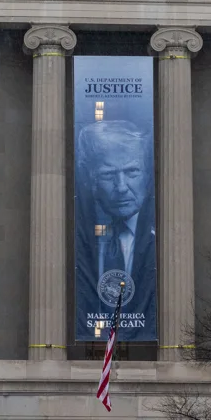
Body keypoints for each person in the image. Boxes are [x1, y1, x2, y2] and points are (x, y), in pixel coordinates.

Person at [75, 120, 157, 341]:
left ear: (148, 176)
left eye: (131, 172)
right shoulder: (77, 237)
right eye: (108, 175)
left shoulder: (159, 236)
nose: (121, 187)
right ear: (92, 181)